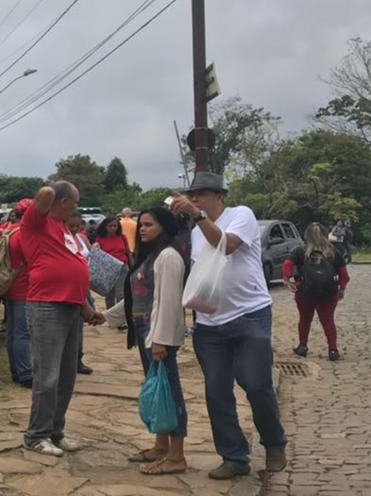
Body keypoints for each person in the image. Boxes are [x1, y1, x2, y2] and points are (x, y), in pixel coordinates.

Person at [169, 172, 288, 480]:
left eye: (202, 194)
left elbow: (227, 245)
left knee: (256, 383)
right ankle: (234, 456)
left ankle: (274, 443)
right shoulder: (196, 229)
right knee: (217, 391)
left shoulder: (241, 215)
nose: (195, 199)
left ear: (219, 195)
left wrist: (197, 216)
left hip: (250, 314)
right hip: (210, 323)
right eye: (192, 195)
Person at [21, 181, 105, 457]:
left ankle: (55, 431)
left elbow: (70, 270)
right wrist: (56, 188)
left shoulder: (64, 230)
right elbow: (45, 194)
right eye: (75, 201)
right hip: (46, 306)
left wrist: (86, 309)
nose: (77, 207)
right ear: (63, 201)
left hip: (70, 307)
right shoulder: (37, 222)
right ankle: (36, 435)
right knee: (48, 376)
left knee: (66, 377)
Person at [124, 207, 189, 475]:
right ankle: (161, 446)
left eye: (149, 224)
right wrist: (106, 316)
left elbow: (169, 301)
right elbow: (139, 296)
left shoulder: (169, 257)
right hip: (145, 332)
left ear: (164, 226)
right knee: (158, 389)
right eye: (141, 224)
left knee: (170, 391)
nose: (142, 229)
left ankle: (177, 455)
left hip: (158, 335)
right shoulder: (150, 256)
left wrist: (160, 339)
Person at [284, 223, 349, 361]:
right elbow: (344, 274)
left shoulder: (299, 251)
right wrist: (342, 289)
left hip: (304, 293)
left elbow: (287, 266)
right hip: (329, 294)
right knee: (328, 320)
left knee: (305, 319)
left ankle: (302, 347)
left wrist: (288, 281)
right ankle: (332, 349)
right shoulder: (333, 252)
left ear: (306, 236)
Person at [4, 199, 34, 388]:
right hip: (25, 288)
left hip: (10, 286)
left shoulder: (9, 231)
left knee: (13, 332)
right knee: (23, 333)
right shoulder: (25, 234)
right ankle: (25, 372)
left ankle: (16, 370)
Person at [66, 213, 95, 375]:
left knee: (80, 325)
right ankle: (70, 358)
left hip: (85, 286)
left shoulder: (82, 239)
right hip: (71, 288)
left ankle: (78, 357)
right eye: (72, 226)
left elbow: (90, 255)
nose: (75, 229)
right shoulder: (63, 239)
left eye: (78, 226)